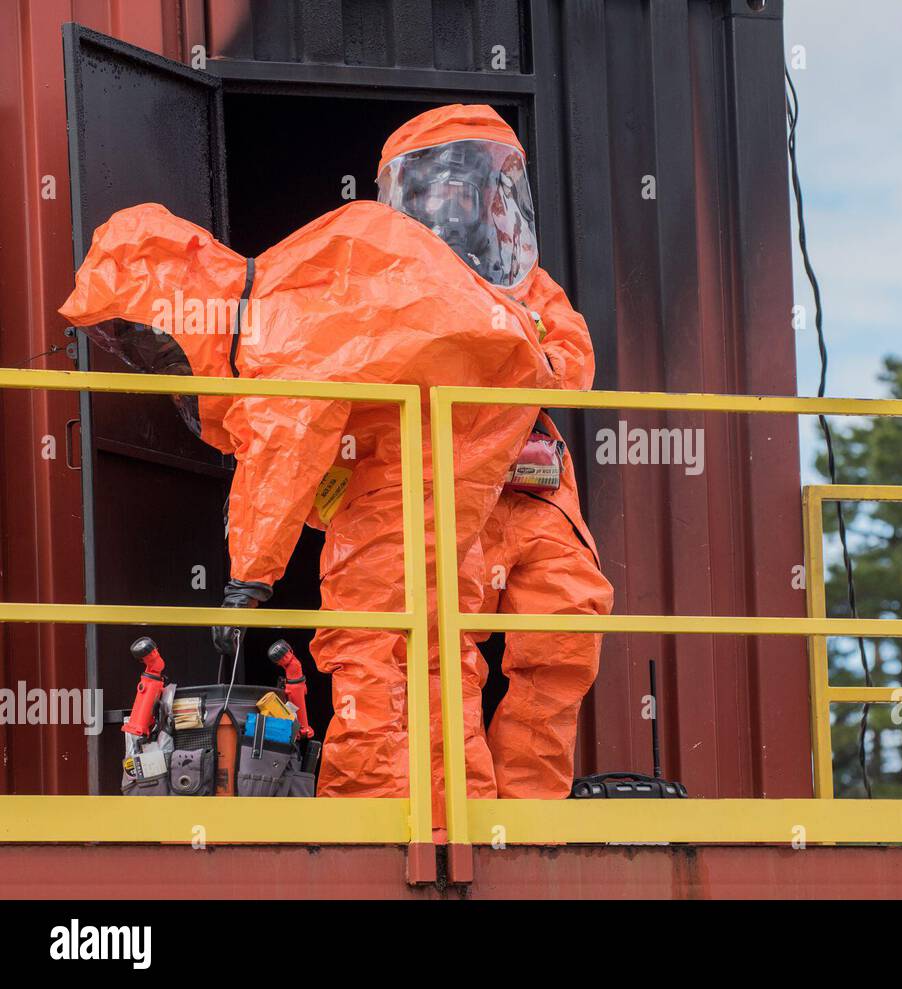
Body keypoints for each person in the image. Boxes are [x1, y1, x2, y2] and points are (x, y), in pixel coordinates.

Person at [59, 157, 559, 817]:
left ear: (178, 299)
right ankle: (451, 807)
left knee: (369, 618)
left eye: (137, 332)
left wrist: (248, 579)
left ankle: (373, 811)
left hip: (453, 413)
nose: (145, 353)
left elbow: (288, 440)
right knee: (427, 626)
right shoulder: (284, 295)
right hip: (453, 407)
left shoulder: (272, 325)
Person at [377, 104, 614, 799]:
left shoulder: (527, 284)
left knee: (565, 633)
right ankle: (464, 816)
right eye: (436, 183)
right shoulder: (386, 287)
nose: (452, 198)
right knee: (441, 649)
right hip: (444, 495)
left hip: (532, 492)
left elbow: (572, 362)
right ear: (408, 195)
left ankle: (529, 812)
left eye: (466, 182)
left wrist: (505, 333)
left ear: (493, 193)